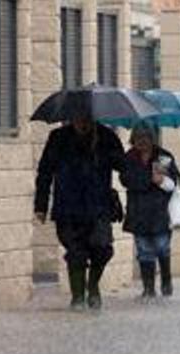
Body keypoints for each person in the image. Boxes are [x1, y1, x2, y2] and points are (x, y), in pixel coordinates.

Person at [34, 110, 126, 311]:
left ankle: (93, 286)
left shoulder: (106, 136)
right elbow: (45, 171)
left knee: (103, 249)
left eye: (87, 118)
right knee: (76, 252)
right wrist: (40, 205)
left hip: (99, 206)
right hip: (68, 206)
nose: (83, 122)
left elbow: (123, 166)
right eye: (79, 118)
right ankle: (78, 297)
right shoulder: (58, 138)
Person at [120, 122, 180, 300]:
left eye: (146, 138)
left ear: (152, 139)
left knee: (162, 247)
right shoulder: (129, 157)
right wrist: (148, 179)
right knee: (143, 249)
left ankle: (166, 280)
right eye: (139, 138)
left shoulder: (162, 157)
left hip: (160, 212)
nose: (142, 142)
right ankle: (148, 288)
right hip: (138, 211)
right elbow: (126, 179)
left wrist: (161, 181)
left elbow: (174, 184)